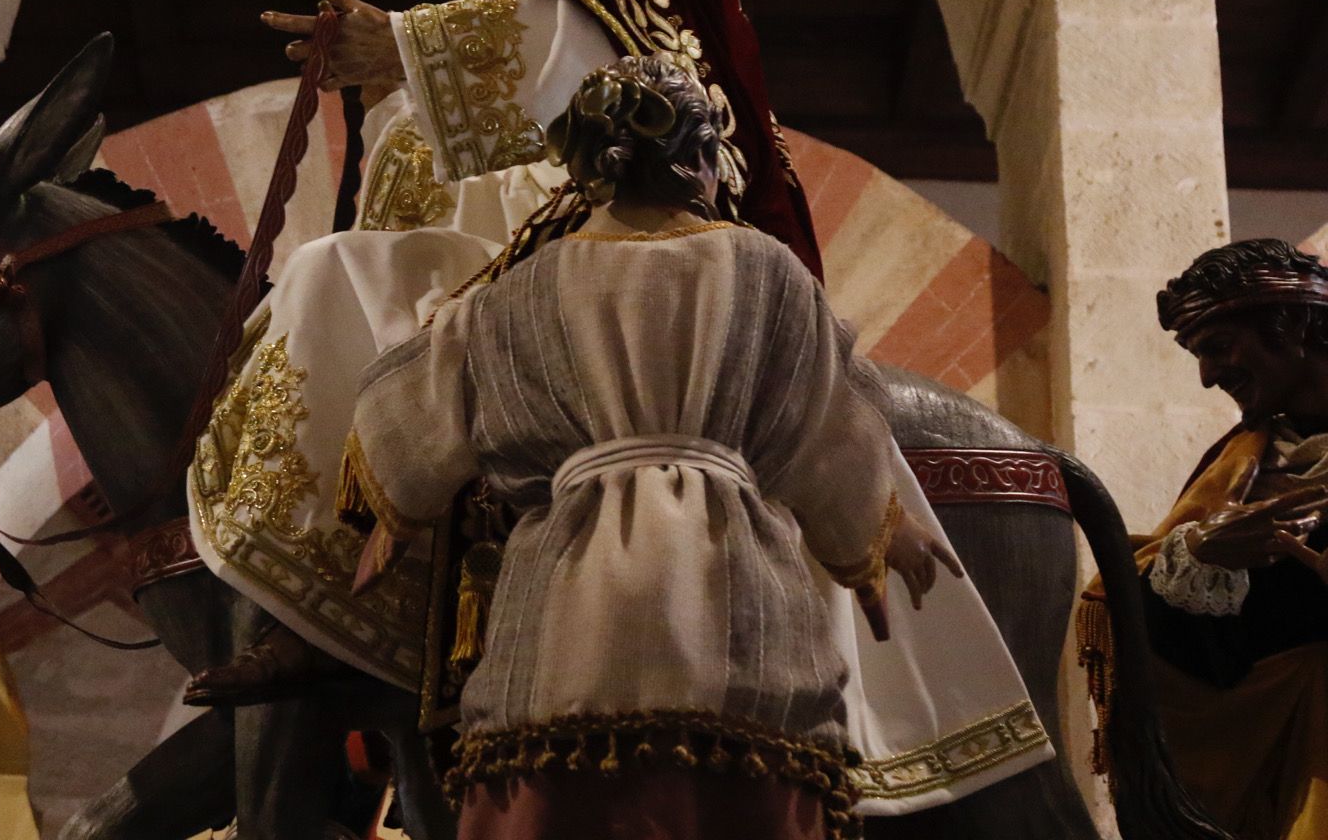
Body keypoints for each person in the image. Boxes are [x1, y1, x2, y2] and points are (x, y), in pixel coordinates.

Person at [186, 0, 818, 709]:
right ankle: (378, 589)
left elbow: (569, 54)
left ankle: (342, 592)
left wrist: (402, 46)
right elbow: (546, 68)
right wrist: (403, 93)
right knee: (389, 237)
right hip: (581, 214)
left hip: (642, 226)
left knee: (341, 275)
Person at [340, 57, 956, 839]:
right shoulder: (764, 269)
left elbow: (422, 398)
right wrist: (868, 537)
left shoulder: (518, 293)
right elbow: (824, 414)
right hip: (733, 609)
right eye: (709, 147)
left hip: (570, 619)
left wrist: (397, 507)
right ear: (687, 157)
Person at [1078, 238, 1328, 840]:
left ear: (1290, 324)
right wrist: (1197, 559)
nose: (1208, 376)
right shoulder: (1234, 468)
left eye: (1217, 347)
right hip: (1287, 790)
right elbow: (1198, 655)